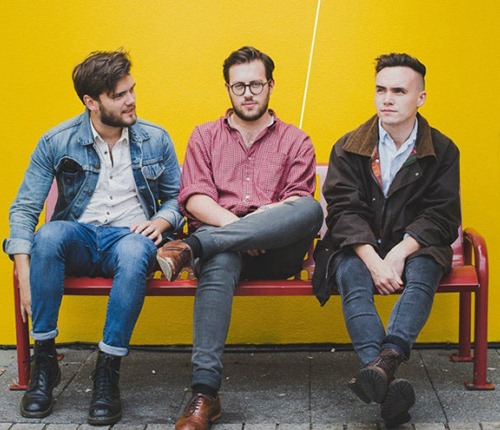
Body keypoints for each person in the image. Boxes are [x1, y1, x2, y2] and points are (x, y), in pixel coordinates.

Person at [4, 50, 183, 425]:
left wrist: (162, 221)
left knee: (136, 251)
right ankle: (44, 362)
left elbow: (178, 198)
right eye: (119, 95)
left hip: (129, 238)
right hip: (79, 239)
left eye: (131, 90)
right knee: (48, 236)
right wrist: (23, 271)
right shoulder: (57, 141)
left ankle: (107, 372)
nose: (131, 100)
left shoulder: (155, 139)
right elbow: (24, 208)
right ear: (91, 102)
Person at [156, 46, 323, 430]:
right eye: (239, 86)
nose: (248, 94)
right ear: (228, 89)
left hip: (276, 253)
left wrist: (258, 227)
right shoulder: (204, 136)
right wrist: (240, 231)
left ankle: (191, 247)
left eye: (256, 85)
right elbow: (194, 198)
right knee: (221, 256)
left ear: (271, 85)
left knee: (311, 209)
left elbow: (296, 206)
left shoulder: (297, 140)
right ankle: (204, 394)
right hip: (222, 250)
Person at [312, 53, 460, 427]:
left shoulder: (442, 150)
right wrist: (374, 260)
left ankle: (386, 359)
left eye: (398, 91)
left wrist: (399, 253)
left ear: (420, 98)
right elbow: (343, 211)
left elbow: (442, 215)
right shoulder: (349, 146)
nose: (387, 99)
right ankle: (385, 376)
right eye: (381, 90)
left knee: (426, 267)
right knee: (351, 273)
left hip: (415, 246)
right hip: (358, 246)